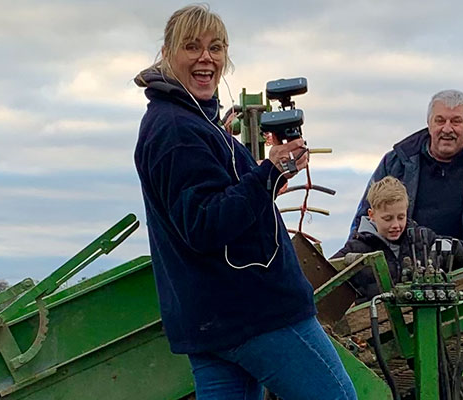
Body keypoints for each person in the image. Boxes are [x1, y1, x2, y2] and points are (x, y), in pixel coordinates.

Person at [132, 5, 356, 399]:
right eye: (192, 47)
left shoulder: (185, 121)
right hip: (256, 312)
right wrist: (267, 174)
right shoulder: (177, 130)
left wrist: (265, 180)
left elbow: (215, 202)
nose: (207, 58)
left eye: (216, 48)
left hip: (212, 319)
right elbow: (204, 224)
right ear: (167, 54)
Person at [351, 89, 463, 261]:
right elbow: (365, 223)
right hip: (405, 277)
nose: (447, 129)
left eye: (456, 121)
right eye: (440, 120)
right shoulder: (396, 163)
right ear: (429, 123)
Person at [333, 176, 463, 303]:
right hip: (374, 326)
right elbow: (327, 279)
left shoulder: (422, 238)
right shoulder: (355, 249)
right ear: (371, 215)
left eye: (401, 217)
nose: (395, 225)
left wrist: (450, 248)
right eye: (387, 219)